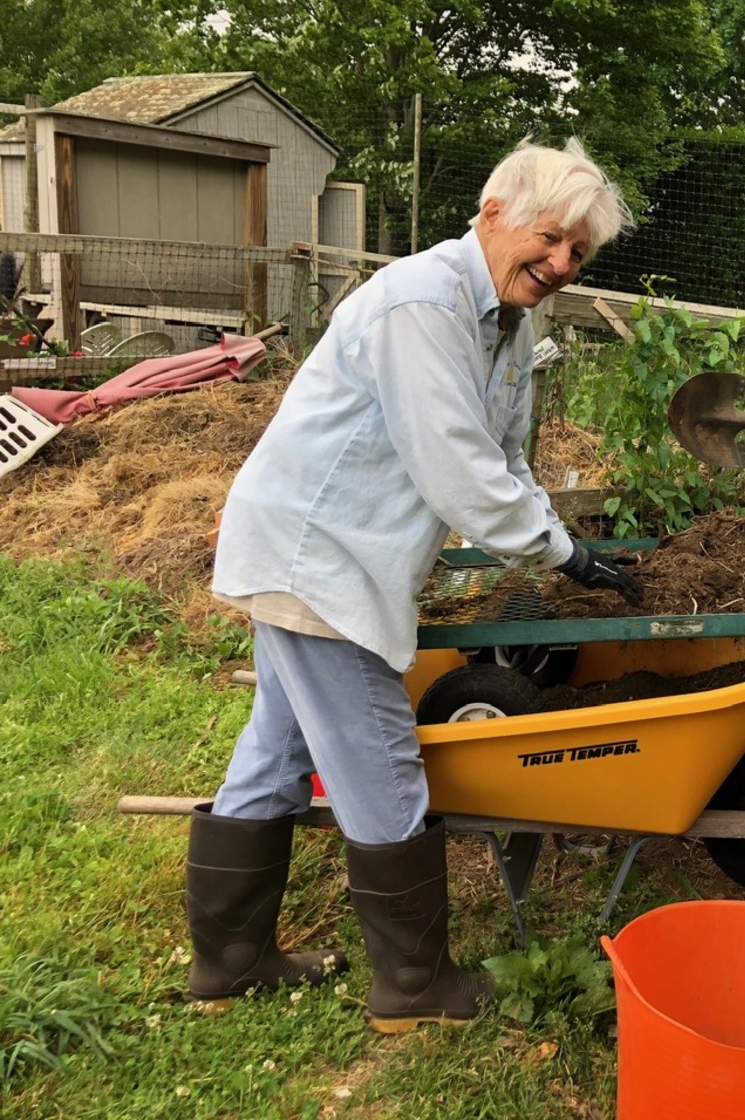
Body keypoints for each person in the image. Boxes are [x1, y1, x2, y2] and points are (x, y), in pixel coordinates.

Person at [188, 136, 642, 1032]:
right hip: (319, 559)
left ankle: (228, 960)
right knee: (383, 766)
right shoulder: (424, 303)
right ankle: (412, 984)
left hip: (323, 551)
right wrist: (565, 557)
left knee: (277, 751)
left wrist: (553, 527)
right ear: (492, 212)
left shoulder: (511, 321)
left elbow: (505, 454)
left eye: (578, 254)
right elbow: (461, 470)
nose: (559, 263)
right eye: (550, 239)